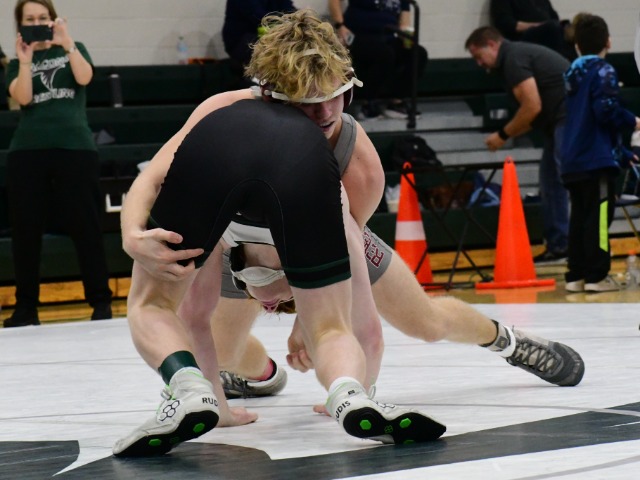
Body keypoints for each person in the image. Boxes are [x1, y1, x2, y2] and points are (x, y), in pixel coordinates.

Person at [113, 11, 446, 458]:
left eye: (336, 95)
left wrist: (131, 231)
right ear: (269, 92)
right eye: (307, 102)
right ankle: (350, 395)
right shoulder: (242, 116)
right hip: (277, 203)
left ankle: (191, 388)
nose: (325, 112)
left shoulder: (344, 155)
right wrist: (312, 316)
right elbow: (353, 304)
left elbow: (153, 177)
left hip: (233, 193)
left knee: (157, 305)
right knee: (331, 324)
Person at [3, 0, 112, 328]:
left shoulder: (73, 48)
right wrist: (25, 61)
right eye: (30, 19)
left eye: (43, 17)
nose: (37, 23)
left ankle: (101, 302)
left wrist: (67, 43)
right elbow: (23, 98)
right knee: (25, 231)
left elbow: (85, 77)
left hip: (75, 148)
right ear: (20, 25)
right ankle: (26, 308)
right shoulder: (15, 62)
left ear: (53, 20)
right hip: (27, 151)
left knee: (86, 226)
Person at [465, 26, 570, 265]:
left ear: (492, 45)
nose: (479, 63)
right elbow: (532, 115)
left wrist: (503, 135)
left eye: (478, 56)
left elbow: (532, 106)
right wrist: (506, 135)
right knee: (551, 183)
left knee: (563, 181)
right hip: (559, 120)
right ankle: (560, 245)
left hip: (568, 119)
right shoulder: (516, 56)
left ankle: (572, 244)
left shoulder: (513, 58)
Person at [561, 14, 640, 294]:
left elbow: (589, 119)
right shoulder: (603, 70)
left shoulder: (571, 74)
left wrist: (623, 153)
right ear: (608, 41)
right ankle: (597, 275)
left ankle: (576, 274)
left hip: (573, 157)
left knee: (580, 217)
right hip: (596, 159)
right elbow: (605, 111)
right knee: (599, 217)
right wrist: (632, 121)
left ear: (577, 45)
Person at [327, 0, 427, 120]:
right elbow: (334, 1)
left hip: (388, 36)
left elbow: (404, 21)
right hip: (359, 35)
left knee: (418, 53)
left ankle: (397, 102)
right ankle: (368, 103)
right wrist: (340, 26)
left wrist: (406, 35)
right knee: (384, 53)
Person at [222, 0, 296, 85]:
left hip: (263, 37)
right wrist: (288, 22)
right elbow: (260, 17)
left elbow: (291, 11)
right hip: (240, 41)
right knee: (280, 45)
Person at [490, 0, 575, 60]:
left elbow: (554, 18)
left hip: (548, 32)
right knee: (553, 27)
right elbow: (505, 23)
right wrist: (538, 26)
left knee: (568, 28)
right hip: (522, 39)